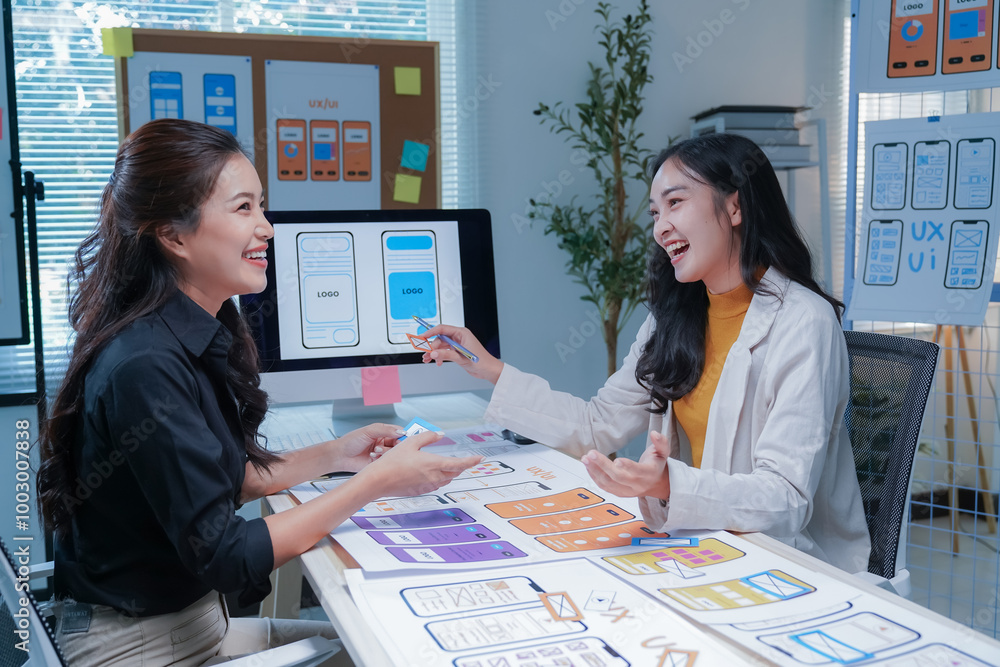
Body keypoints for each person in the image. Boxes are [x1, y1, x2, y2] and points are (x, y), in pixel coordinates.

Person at [36, 118, 481, 667]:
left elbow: (223, 480)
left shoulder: (189, 331)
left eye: (262, 207)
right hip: (138, 649)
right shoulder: (145, 364)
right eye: (244, 208)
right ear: (174, 235)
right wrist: (375, 483)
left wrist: (339, 455)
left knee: (382, 645)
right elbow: (223, 553)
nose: (268, 227)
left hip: (192, 626)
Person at [422, 133, 871, 573]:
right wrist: (492, 371)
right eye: (656, 212)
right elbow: (596, 426)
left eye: (676, 203)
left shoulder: (803, 321)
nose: (660, 228)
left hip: (791, 563)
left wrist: (669, 484)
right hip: (712, 546)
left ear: (734, 206)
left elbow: (785, 498)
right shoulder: (675, 316)